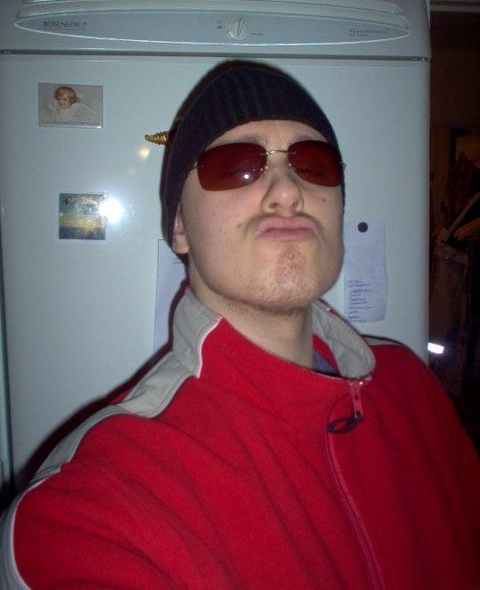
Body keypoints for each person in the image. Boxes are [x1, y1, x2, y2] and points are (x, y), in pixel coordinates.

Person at [1, 61, 479, 589]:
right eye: (234, 165)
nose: (287, 191)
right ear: (180, 227)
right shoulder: (93, 506)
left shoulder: (411, 386)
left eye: (312, 162)